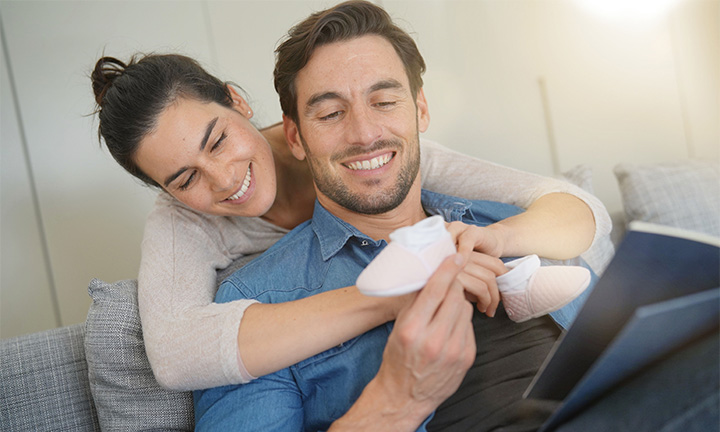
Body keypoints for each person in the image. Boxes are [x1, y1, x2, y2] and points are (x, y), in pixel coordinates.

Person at [90, 15, 610, 393]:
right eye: (184, 178)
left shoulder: (370, 150)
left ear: (238, 102)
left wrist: (498, 239)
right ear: (165, 191)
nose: (225, 179)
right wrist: (390, 295)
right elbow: (178, 356)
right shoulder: (183, 223)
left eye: (219, 140)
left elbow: (576, 209)